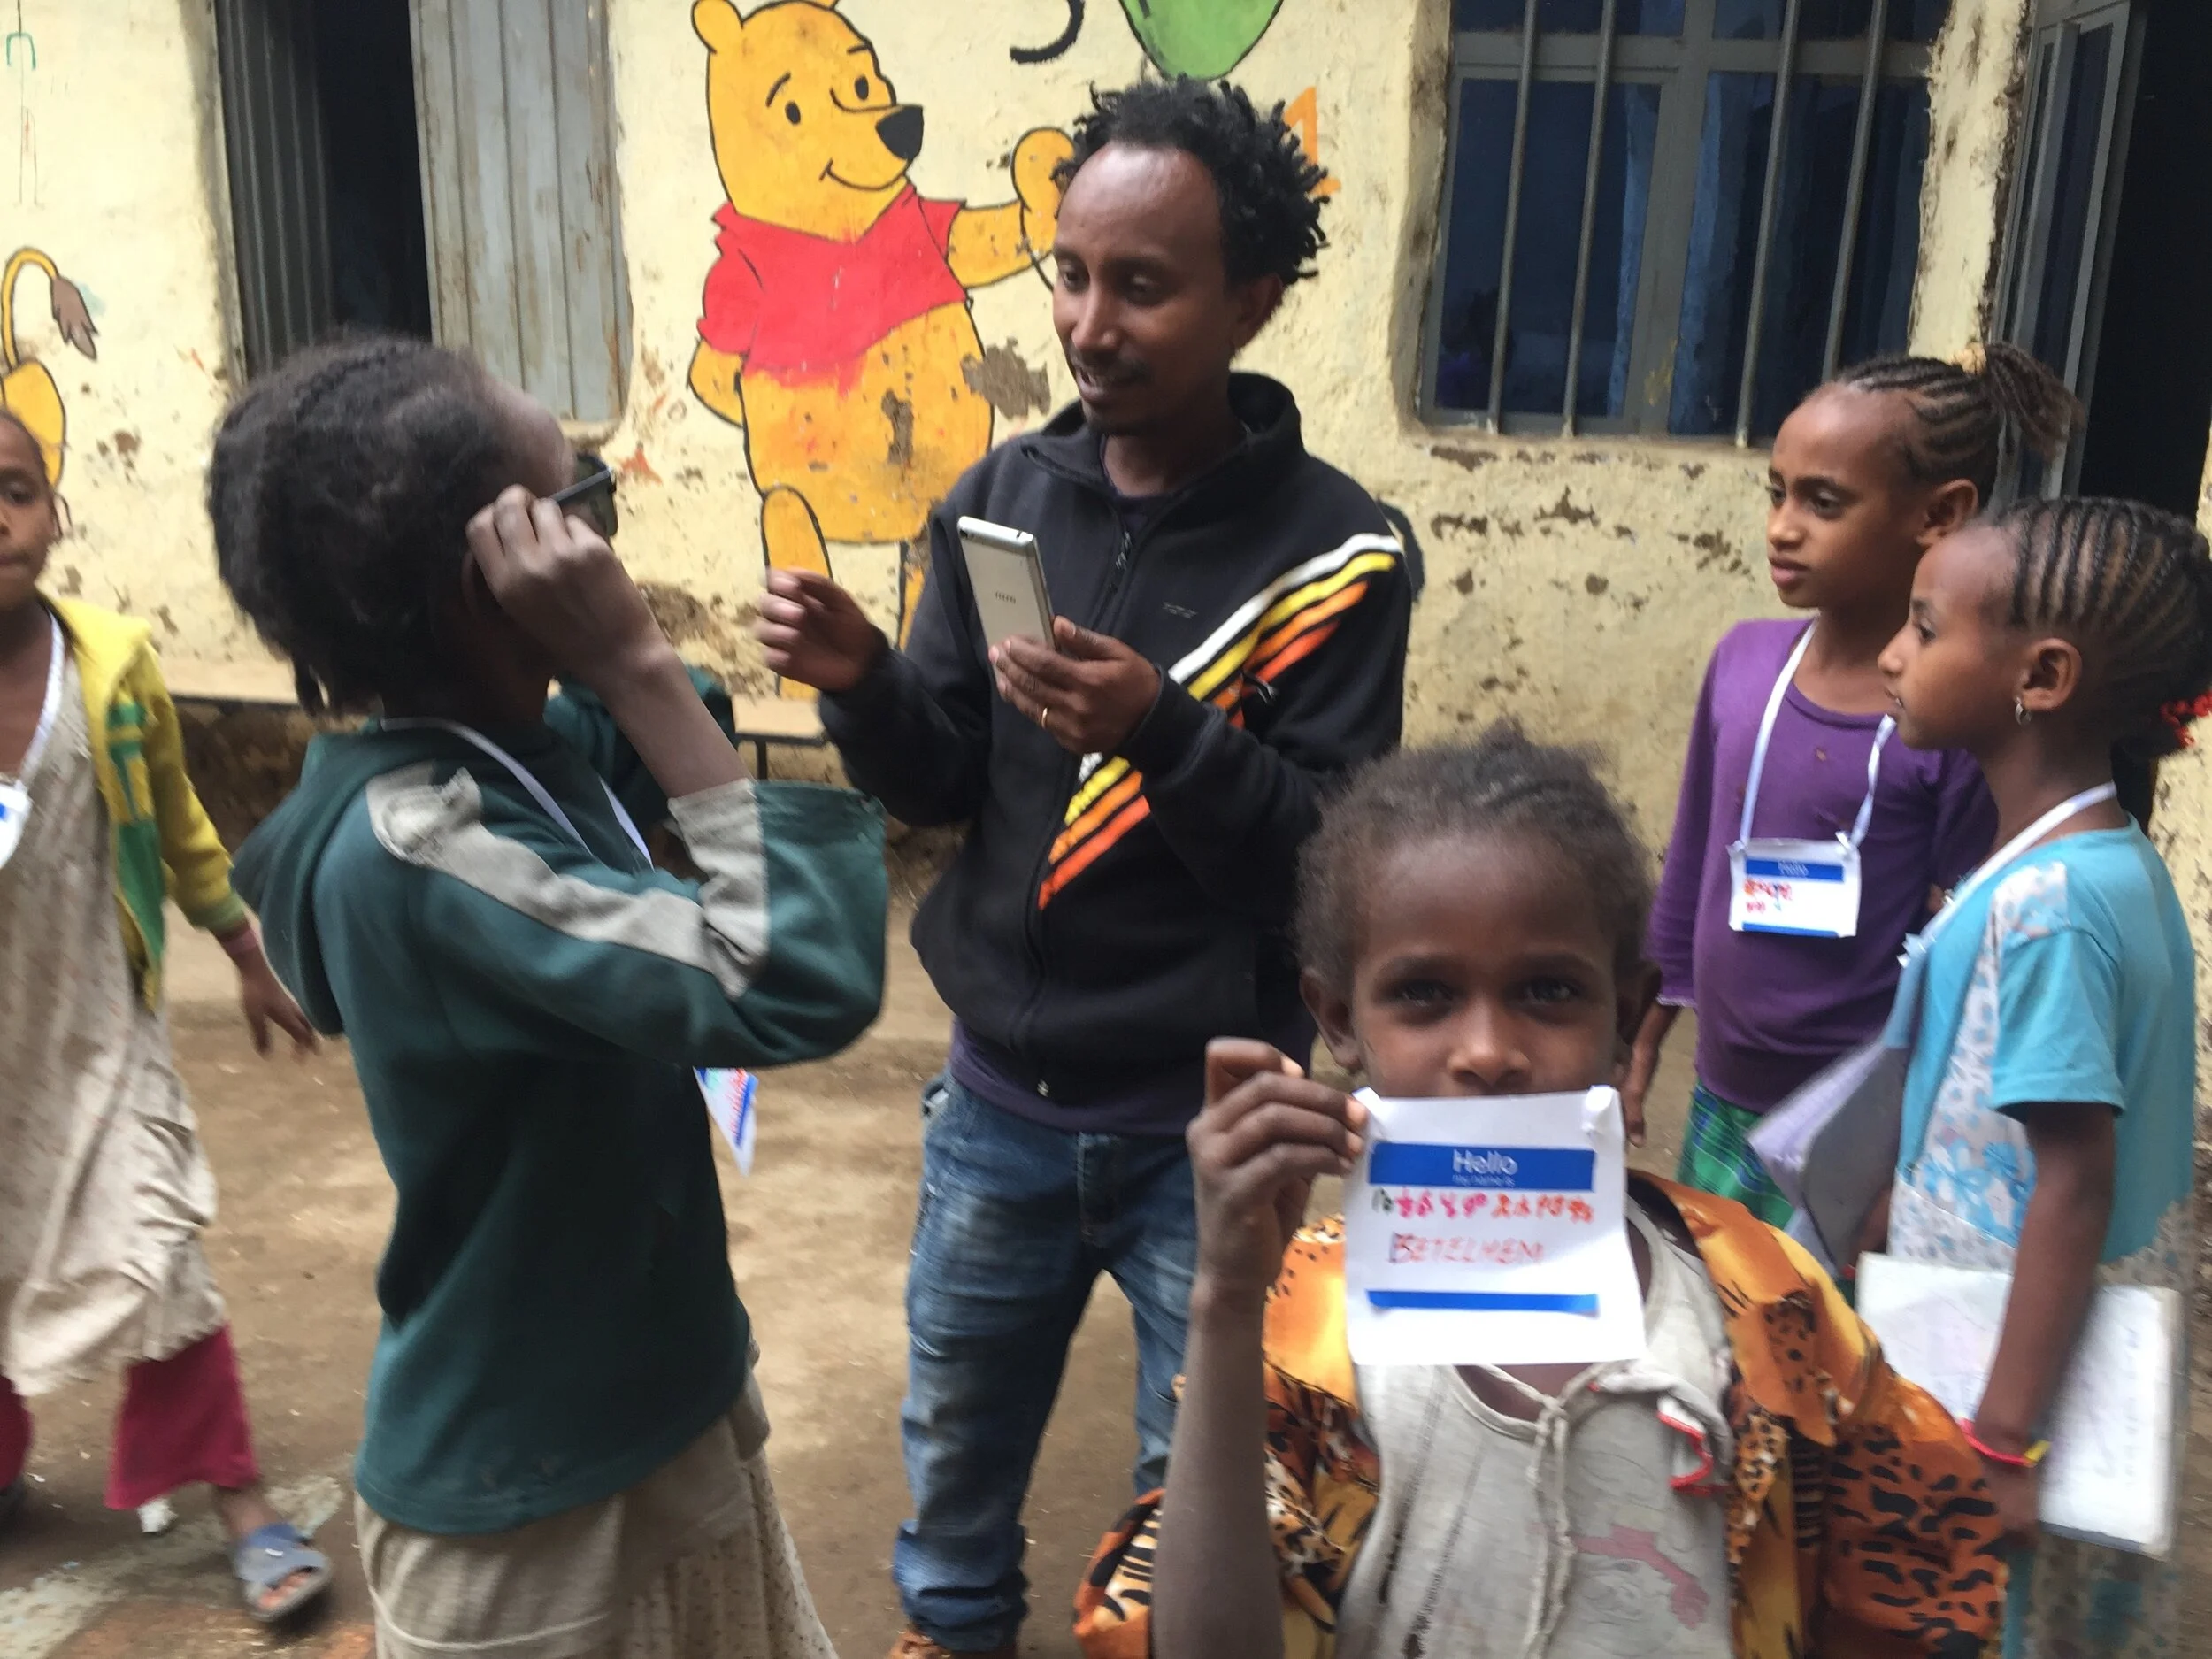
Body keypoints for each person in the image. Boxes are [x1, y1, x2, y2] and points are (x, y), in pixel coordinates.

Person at [757, 77, 1411, 1659]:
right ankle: (950, 1631)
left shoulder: (1340, 558)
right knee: (957, 1446)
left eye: (1145, 282)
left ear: (1254, 297)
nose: (1090, 320)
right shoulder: (996, 503)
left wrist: (1161, 732)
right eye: (1070, 273)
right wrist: (861, 682)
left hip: (1210, 1121)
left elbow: (1325, 861)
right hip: (999, 1105)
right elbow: (936, 785)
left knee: (1196, 1481)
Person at [213, 335, 888, 1659]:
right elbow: (786, 974)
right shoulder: (429, 849)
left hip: (655, 1418)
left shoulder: (501, 755)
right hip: (534, 1519)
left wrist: (621, 675)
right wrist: (626, 658)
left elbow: (658, 740)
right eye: (584, 510)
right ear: (496, 579)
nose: (604, 550)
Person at [1076, 726, 2010, 1659]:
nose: (1487, 1052)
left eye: (1548, 991)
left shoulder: (1761, 1299)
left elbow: (1913, 1571)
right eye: (1424, 994)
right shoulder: (1300, 1324)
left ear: (1627, 1016)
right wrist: (1224, 1301)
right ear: (1337, 1020)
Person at [0, 411, 332, 1622]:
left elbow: (180, 822)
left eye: (17, 490)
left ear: (56, 513)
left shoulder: (115, 660)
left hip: (94, 1017)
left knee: (157, 1241)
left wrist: (243, 948)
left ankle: (239, 1494)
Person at [1633, 344, 2079, 1224]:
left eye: (1823, 502)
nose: (1782, 527)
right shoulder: (1742, 664)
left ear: (1939, 514)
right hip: (1722, 1099)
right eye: (1776, 493)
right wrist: (1642, 1036)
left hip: (1853, 1121)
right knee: (1726, 1314)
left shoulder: (1949, 724)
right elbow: (1691, 863)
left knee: (1821, 1343)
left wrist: (1905, 1150)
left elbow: (1965, 949)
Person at [1874, 495, 2206, 1656]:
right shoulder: (2099, 863)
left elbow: (2070, 1182)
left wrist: (2004, 1440)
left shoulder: (2055, 906)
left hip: (2023, 1399)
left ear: (2043, 674)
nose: (1891, 654)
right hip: (2031, 1355)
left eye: (1923, 626)